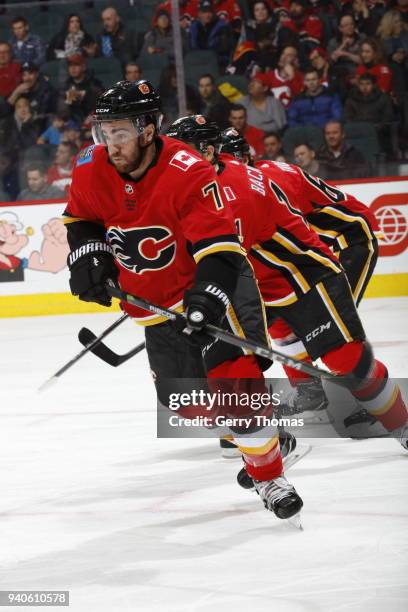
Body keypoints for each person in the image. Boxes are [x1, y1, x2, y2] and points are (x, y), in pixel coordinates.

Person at [63, 79, 303, 521]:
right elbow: (82, 218)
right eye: (105, 132)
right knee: (186, 405)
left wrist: (208, 298)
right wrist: (86, 255)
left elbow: (220, 248)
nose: (110, 144)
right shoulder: (91, 166)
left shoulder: (186, 168)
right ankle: (266, 430)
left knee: (238, 392)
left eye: (121, 132)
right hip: (148, 306)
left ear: (149, 129)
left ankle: (270, 475)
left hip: (194, 294)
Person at [218, 128, 407, 463]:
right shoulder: (226, 186)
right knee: (278, 322)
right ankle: (309, 391)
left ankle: (371, 404)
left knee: (336, 343)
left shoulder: (267, 178)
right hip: (292, 266)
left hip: (345, 245)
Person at [58, 54, 104, 125]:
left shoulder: (94, 84)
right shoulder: (66, 85)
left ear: (83, 67)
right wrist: (68, 101)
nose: (73, 68)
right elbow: (63, 110)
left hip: (93, 121)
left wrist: (85, 95)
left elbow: (103, 105)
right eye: (70, 66)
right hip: (73, 123)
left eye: (76, 65)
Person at [7, 62, 56, 126]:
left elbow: (49, 113)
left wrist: (32, 116)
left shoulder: (46, 89)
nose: (27, 78)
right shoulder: (19, 88)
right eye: (24, 75)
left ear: (37, 74)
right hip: (21, 122)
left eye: (30, 74)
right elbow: (5, 111)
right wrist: (16, 93)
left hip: (41, 124)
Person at [189, 0, 233, 68]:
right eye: (204, 12)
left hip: (217, 63)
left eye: (210, 12)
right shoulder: (194, 28)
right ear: (199, 14)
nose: (207, 15)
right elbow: (191, 48)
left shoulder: (222, 27)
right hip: (198, 63)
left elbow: (224, 49)